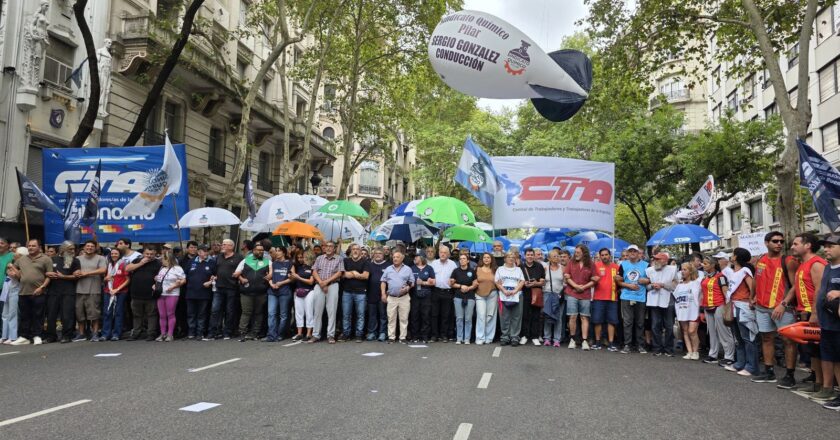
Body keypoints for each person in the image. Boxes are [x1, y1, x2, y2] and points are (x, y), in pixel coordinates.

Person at [751, 231, 799, 385]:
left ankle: (790, 375)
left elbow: (795, 286)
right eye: (775, 241)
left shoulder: (789, 261)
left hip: (782, 308)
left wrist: (783, 304)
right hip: (762, 307)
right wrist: (752, 297)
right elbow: (755, 280)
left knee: (788, 341)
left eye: (781, 242)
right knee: (766, 338)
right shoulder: (760, 259)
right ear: (766, 243)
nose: (779, 244)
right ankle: (769, 371)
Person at [788, 233, 828, 396]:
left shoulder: (817, 264)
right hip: (804, 311)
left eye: (796, 243)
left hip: (815, 313)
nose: (792, 247)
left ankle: (827, 386)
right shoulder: (801, 264)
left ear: (808, 245)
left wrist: (814, 313)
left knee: (821, 351)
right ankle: (817, 383)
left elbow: (820, 290)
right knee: (812, 351)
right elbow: (797, 287)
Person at [10, 239, 52, 345]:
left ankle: (37, 335)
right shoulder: (22, 259)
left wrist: (42, 287)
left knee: (38, 315)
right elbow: (11, 268)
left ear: (39, 247)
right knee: (25, 316)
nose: (31, 247)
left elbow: (49, 276)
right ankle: (24, 337)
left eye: (33, 246)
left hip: (39, 292)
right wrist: (12, 272)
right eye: (29, 246)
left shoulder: (46, 259)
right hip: (23, 292)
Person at [815, 234, 840, 408]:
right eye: (825, 246)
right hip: (827, 323)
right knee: (835, 360)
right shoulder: (827, 268)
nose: (826, 249)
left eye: (831, 246)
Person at [728, 248, 758, 377]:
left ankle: (751, 366)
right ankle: (740, 363)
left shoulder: (745, 271)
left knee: (747, 337)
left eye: (733, 254)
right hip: (734, 305)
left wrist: (752, 299)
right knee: (738, 338)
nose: (731, 256)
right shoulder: (734, 272)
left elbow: (753, 287)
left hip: (743, 306)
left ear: (736, 257)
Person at [700, 255, 735, 365]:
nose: (703, 265)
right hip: (707, 307)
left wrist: (728, 308)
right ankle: (713, 354)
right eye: (703, 263)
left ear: (713, 265)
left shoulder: (721, 277)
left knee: (724, 332)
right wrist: (702, 310)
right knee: (712, 333)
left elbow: (726, 293)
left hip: (719, 306)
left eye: (705, 263)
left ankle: (729, 356)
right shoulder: (705, 277)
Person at [616, 245, 650, 354]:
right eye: (630, 251)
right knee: (627, 322)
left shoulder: (646, 265)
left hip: (640, 297)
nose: (632, 253)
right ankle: (627, 345)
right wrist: (628, 285)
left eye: (634, 251)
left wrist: (647, 280)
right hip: (626, 296)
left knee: (640, 322)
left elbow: (651, 279)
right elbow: (618, 281)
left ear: (638, 252)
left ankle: (640, 345)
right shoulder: (623, 265)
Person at [45, 241, 79, 343]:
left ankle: (66, 335)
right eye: (70, 249)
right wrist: (47, 273)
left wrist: (63, 276)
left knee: (66, 315)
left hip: (67, 291)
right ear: (62, 249)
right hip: (53, 291)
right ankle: (51, 336)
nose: (72, 251)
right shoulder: (52, 259)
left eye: (73, 249)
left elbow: (76, 275)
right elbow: (44, 272)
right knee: (51, 315)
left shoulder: (73, 260)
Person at [645, 252, 678, 357]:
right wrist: (652, 286)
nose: (656, 261)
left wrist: (663, 285)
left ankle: (669, 349)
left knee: (669, 325)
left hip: (668, 300)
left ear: (665, 261)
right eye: (655, 259)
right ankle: (657, 348)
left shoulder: (672, 269)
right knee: (655, 325)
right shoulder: (649, 270)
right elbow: (646, 286)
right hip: (654, 300)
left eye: (658, 259)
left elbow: (675, 284)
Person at [310, 241, 344, 344]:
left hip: (333, 285)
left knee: (332, 311)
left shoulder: (339, 258)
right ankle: (315, 335)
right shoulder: (319, 258)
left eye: (331, 246)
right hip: (319, 285)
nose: (328, 248)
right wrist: (321, 283)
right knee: (317, 311)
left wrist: (326, 282)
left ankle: (330, 335)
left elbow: (340, 273)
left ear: (334, 248)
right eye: (326, 246)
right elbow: (314, 271)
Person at [125, 246, 161, 341]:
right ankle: (136, 333)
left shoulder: (158, 263)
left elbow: (162, 275)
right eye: (147, 254)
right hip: (136, 293)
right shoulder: (137, 260)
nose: (149, 256)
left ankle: (151, 333)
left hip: (151, 294)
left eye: (151, 254)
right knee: (137, 315)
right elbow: (127, 268)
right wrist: (141, 263)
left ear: (155, 254)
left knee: (151, 315)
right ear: (143, 253)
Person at [74, 240, 107, 341]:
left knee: (94, 313)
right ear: (84, 247)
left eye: (92, 246)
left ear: (95, 248)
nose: (89, 248)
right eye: (87, 246)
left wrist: (86, 273)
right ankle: (81, 333)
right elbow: (70, 270)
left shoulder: (100, 258)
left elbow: (103, 270)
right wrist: (75, 272)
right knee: (79, 313)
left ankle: (95, 333)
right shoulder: (77, 258)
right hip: (78, 289)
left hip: (94, 289)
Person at [236, 243, 270, 342]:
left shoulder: (268, 262)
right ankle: (242, 332)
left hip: (261, 292)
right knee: (246, 312)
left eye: (262, 250)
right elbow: (236, 273)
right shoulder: (245, 260)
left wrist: (270, 276)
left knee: (258, 313)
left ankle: (255, 333)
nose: (260, 252)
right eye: (258, 250)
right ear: (254, 251)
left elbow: (271, 274)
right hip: (246, 292)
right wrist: (241, 279)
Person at [209, 239, 242, 340]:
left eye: (224, 244)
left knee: (229, 311)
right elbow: (214, 270)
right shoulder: (218, 257)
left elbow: (244, 269)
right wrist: (213, 276)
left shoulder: (239, 257)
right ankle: (213, 332)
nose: (222, 246)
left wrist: (239, 274)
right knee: (215, 310)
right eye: (222, 244)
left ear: (231, 247)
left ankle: (227, 332)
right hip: (219, 287)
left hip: (232, 287)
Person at [563, 245, 593, 350]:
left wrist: (583, 287)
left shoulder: (590, 264)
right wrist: (576, 286)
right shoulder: (571, 262)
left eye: (578, 252)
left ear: (584, 253)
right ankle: (573, 339)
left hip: (585, 294)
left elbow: (595, 278)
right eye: (575, 252)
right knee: (572, 317)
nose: (576, 254)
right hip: (572, 293)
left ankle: (584, 340)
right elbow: (567, 276)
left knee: (584, 317)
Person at [381, 250, 414, 343]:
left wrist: (407, 288)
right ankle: (391, 337)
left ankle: (402, 337)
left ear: (402, 258)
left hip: (404, 297)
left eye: (397, 257)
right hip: (391, 297)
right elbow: (383, 281)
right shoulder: (388, 269)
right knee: (391, 318)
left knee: (404, 318)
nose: (395, 259)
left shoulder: (408, 269)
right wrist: (383, 294)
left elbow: (412, 282)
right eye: (394, 257)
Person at [185, 245, 216, 340]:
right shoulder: (191, 262)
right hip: (191, 292)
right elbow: (184, 275)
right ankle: (191, 332)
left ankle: (200, 333)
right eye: (204, 251)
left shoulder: (212, 263)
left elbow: (216, 276)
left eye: (207, 251)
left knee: (201, 314)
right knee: (191, 314)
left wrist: (211, 282)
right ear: (198, 252)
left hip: (204, 293)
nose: (206, 253)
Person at [592, 248, 620, 351]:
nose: (604, 256)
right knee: (597, 321)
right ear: (600, 256)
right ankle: (598, 342)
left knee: (611, 321)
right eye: (602, 255)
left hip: (612, 298)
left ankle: (611, 343)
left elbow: (620, 282)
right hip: (598, 297)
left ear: (610, 255)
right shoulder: (595, 266)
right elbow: (591, 279)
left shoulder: (616, 267)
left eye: (606, 254)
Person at [154, 251, 185, 342]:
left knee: (170, 314)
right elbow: (159, 280)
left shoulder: (177, 268)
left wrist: (174, 286)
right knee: (162, 315)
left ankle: (170, 334)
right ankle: (163, 333)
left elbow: (183, 280)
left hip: (172, 293)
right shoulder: (162, 269)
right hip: (161, 293)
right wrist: (155, 284)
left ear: (168, 259)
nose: (161, 261)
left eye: (163, 259)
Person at [496, 251, 525, 346]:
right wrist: (504, 290)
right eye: (509, 256)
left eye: (513, 257)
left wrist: (515, 291)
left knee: (516, 317)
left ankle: (515, 337)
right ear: (505, 258)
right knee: (504, 317)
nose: (511, 258)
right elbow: (497, 282)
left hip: (517, 295)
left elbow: (522, 281)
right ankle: (505, 336)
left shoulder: (518, 270)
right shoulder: (500, 269)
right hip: (503, 295)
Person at [673, 262, 701, 359]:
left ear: (690, 271)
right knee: (685, 331)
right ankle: (689, 352)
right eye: (682, 269)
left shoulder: (696, 283)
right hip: (682, 311)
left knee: (692, 331)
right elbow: (675, 296)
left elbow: (700, 297)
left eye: (685, 270)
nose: (682, 271)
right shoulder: (680, 285)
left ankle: (695, 351)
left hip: (693, 311)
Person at [341, 244, 369, 342]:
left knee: (360, 315)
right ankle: (346, 334)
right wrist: (355, 272)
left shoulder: (365, 262)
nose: (355, 251)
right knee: (346, 314)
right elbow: (343, 274)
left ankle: (359, 334)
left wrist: (351, 274)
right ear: (351, 251)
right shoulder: (345, 261)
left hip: (361, 292)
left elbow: (365, 276)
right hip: (347, 292)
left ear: (361, 251)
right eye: (353, 249)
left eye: (357, 249)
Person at [430, 245, 457, 342]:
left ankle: (444, 335)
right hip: (436, 291)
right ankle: (434, 335)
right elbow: (430, 276)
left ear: (449, 254)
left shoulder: (453, 264)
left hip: (447, 292)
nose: (443, 254)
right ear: (438, 253)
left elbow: (455, 277)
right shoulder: (434, 263)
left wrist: (454, 280)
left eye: (445, 253)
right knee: (434, 314)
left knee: (446, 315)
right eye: (441, 252)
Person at [102, 248, 130, 341]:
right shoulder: (108, 264)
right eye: (112, 253)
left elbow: (128, 279)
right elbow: (104, 278)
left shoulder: (123, 264)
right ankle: (106, 334)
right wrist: (106, 279)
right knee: (107, 312)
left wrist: (117, 289)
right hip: (108, 291)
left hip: (120, 292)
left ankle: (116, 334)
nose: (114, 255)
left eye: (116, 253)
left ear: (120, 254)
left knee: (118, 313)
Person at [520, 248, 547, 346]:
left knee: (536, 315)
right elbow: (518, 281)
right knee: (525, 315)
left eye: (532, 255)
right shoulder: (521, 267)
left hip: (536, 293)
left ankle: (535, 336)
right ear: (524, 256)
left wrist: (536, 283)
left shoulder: (539, 266)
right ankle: (525, 335)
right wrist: (524, 283)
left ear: (534, 256)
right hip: (525, 293)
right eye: (528, 255)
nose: (530, 256)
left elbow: (543, 282)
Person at [266, 246, 293, 342]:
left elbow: (292, 278)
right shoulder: (273, 263)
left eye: (279, 251)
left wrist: (281, 283)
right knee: (271, 313)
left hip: (284, 291)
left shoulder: (290, 263)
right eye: (276, 251)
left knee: (283, 315)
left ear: (284, 253)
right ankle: (271, 335)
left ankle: (280, 334)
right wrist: (271, 284)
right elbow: (269, 276)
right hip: (273, 291)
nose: (277, 252)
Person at [451, 253, 478, 345]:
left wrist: (468, 288)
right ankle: (459, 337)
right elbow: (451, 283)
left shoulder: (472, 271)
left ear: (468, 260)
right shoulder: (455, 271)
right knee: (459, 318)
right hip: (458, 296)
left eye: (464, 258)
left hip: (470, 296)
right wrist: (461, 286)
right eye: (460, 259)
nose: (462, 260)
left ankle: (467, 338)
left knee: (468, 319)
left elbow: (475, 284)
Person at [291, 250, 316, 342]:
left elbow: (311, 281)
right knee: (298, 312)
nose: (302, 259)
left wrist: (298, 277)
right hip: (299, 291)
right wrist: (293, 275)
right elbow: (292, 277)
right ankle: (299, 333)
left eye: (304, 257)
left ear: (309, 257)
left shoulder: (313, 267)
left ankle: (309, 333)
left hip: (309, 291)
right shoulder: (299, 267)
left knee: (309, 312)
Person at [543, 249, 566, 347]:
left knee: (558, 317)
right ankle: (547, 338)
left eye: (558, 256)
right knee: (548, 315)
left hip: (558, 295)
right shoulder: (545, 268)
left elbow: (565, 282)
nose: (557, 258)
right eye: (554, 256)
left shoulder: (563, 268)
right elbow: (543, 281)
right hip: (547, 294)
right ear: (549, 258)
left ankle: (557, 339)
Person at [410, 254, 435, 343]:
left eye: (416, 257)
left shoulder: (429, 268)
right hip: (415, 295)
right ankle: (415, 336)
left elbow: (433, 282)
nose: (414, 258)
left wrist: (423, 283)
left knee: (426, 315)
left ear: (421, 258)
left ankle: (425, 336)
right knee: (414, 315)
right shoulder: (412, 268)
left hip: (426, 295)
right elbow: (409, 280)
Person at [367, 247, 390, 342]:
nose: (377, 255)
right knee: (372, 315)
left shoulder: (388, 265)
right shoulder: (369, 265)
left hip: (383, 294)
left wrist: (387, 293)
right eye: (376, 253)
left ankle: (383, 333)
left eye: (380, 253)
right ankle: (372, 333)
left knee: (383, 315)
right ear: (373, 255)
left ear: (383, 254)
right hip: (371, 294)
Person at [475, 253, 498, 345]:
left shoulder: (495, 270)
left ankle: (489, 337)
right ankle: (480, 337)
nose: (486, 259)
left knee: (490, 316)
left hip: (492, 294)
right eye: (484, 257)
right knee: (481, 316)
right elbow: (473, 281)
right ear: (482, 259)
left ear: (491, 259)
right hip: (479, 295)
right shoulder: (477, 269)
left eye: (488, 257)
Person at [1, 261, 21, 344]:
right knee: (4, 315)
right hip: (6, 294)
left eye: (11, 268)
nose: (9, 269)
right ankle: (4, 336)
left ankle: (12, 337)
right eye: (8, 268)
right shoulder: (7, 275)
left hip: (14, 293)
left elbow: (16, 275)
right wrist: (9, 269)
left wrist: (13, 268)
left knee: (12, 314)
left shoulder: (17, 273)